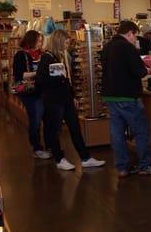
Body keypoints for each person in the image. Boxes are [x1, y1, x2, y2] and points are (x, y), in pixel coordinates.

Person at [101, 21, 151, 178]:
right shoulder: (128, 48)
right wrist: (146, 70)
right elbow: (139, 71)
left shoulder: (108, 46)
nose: (136, 39)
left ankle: (122, 167)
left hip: (110, 96)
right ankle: (145, 165)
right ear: (129, 32)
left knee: (117, 133)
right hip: (128, 96)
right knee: (140, 131)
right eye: (135, 35)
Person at [36, 30, 105, 171]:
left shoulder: (61, 56)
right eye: (66, 42)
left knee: (75, 128)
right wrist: (57, 77)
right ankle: (59, 159)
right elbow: (41, 81)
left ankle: (85, 158)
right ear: (59, 41)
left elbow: (67, 80)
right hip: (54, 101)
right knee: (54, 130)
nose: (67, 45)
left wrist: (72, 96)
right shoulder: (47, 58)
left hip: (65, 99)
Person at [12, 30, 51, 159]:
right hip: (29, 93)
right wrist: (38, 73)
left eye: (41, 41)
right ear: (31, 40)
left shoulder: (42, 55)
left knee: (47, 119)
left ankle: (49, 145)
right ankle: (37, 148)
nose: (40, 43)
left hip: (42, 92)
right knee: (35, 120)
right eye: (38, 41)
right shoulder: (21, 55)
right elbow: (20, 75)